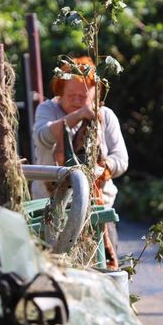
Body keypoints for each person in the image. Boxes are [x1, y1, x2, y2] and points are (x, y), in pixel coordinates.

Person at [32, 56, 128, 268]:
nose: (76, 100)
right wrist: (78, 115)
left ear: (96, 95)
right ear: (60, 91)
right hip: (49, 211)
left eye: (83, 96)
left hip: (97, 208)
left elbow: (121, 160)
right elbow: (42, 137)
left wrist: (100, 169)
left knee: (104, 270)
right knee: (53, 270)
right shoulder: (47, 109)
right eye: (71, 95)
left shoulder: (106, 116)